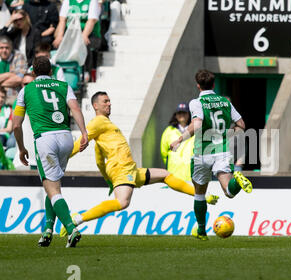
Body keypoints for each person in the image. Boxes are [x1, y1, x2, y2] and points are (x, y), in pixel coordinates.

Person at [59, 91, 219, 237]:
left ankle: (201, 195)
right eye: (105, 101)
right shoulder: (98, 122)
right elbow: (81, 141)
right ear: (95, 106)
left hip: (131, 169)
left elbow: (99, 160)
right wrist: (63, 159)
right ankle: (77, 219)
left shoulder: (106, 127)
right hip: (122, 168)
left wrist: (108, 179)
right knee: (122, 203)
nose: (109, 104)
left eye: (109, 101)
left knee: (165, 175)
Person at [12, 56, 89, 247]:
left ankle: (71, 229)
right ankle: (48, 231)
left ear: (33, 72)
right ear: (51, 71)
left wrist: (21, 148)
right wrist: (84, 132)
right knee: (53, 186)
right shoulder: (63, 85)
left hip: (45, 140)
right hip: (66, 138)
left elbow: (16, 125)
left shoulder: (26, 90)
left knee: (52, 188)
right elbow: (75, 108)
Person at [170, 70, 253, 241]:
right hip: (222, 150)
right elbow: (241, 124)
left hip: (202, 152)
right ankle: (237, 180)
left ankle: (201, 230)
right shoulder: (224, 102)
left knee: (199, 194)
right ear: (214, 85)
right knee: (229, 192)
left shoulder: (197, 102)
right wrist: (229, 134)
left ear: (198, 85)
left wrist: (179, 139)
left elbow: (197, 124)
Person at [53, 0, 101, 82]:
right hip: (71, 34)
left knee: (83, 44)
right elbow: (62, 20)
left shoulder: (92, 1)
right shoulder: (68, 1)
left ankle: (86, 72)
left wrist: (84, 35)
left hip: (90, 34)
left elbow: (92, 20)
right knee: (57, 43)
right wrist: (60, 36)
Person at [160, 102, 194, 181]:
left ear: (189, 114)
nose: (182, 115)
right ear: (175, 115)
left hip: (191, 174)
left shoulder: (195, 130)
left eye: (184, 113)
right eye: (179, 113)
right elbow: (164, 152)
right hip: (174, 173)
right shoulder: (168, 131)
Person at [12, 72, 35, 169]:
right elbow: (16, 125)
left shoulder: (41, 102)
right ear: (21, 85)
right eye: (25, 84)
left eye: (30, 84)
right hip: (23, 154)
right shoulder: (17, 102)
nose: (27, 86)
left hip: (40, 153)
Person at [0, 35, 27, 103]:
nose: (4, 50)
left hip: (13, 96)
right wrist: (10, 74)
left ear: (11, 48)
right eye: (1, 48)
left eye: (7, 48)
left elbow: (19, 79)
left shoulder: (18, 56)